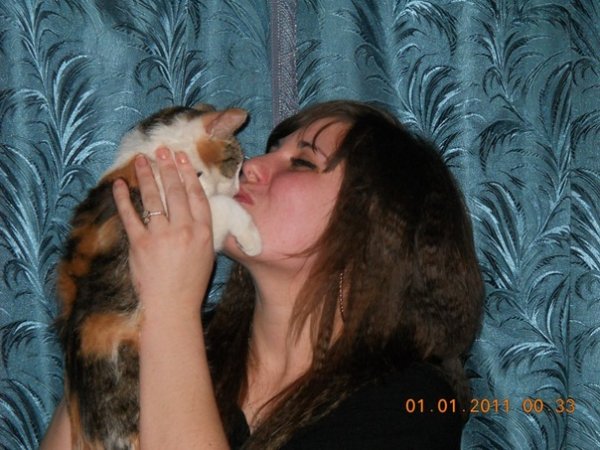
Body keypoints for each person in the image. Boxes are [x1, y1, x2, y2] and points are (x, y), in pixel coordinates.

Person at [41, 100, 484, 449]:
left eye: (302, 162)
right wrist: (118, 295)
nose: (251, 165)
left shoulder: (410, 403)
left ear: (375, 230)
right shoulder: (192, 341)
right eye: (273, 149)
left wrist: (170, 308)